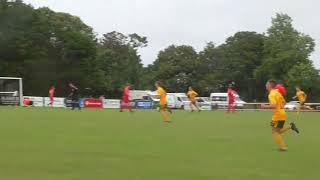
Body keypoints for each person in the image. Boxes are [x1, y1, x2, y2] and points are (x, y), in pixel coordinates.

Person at [261, 80, 300, 151]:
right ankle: (291, 126)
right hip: (281, 113)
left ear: (270, 85)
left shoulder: (271, 94)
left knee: (274, 132)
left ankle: (283, 147)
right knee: (277, 131)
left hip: (277, 115)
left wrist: (264, 106)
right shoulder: (277, 93)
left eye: (266, 84)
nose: (265, 85)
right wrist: (280, 107)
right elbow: (284, 102)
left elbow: (274, 105)